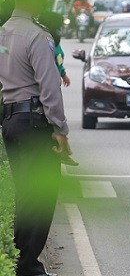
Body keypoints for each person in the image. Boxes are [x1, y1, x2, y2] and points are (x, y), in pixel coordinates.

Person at [0, 0, 74, 276]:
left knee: (25, 196)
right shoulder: (37, 35)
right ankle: (27, 266)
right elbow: (50, 87)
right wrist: (60, 130)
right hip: (33, 123)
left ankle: (23, 263)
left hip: (10, 122)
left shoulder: (3, 33)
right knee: (40, 196)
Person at [37, 11, 79, 167]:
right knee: (54, 118)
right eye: (59, 27)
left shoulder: (53, 43)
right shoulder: (45, 42)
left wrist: (63, 74)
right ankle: (62, 149)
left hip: (52, 84)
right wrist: (61, 129)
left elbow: (58, 62)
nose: (61, 30)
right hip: (46, 89)